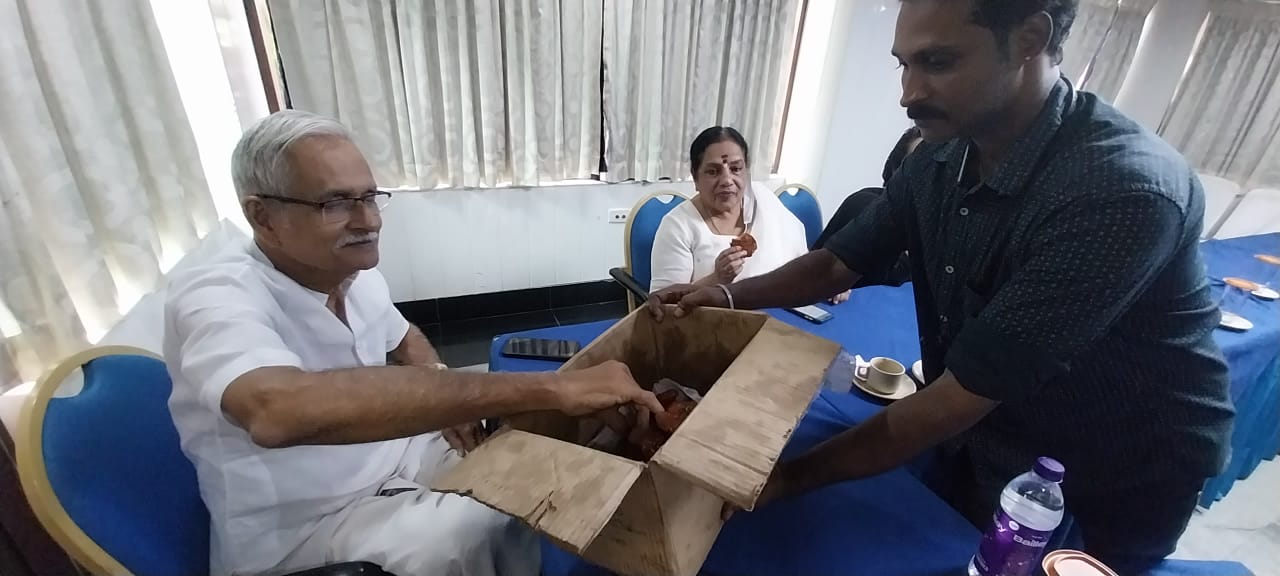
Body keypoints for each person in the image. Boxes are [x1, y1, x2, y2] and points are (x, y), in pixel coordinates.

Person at [648, 0, 1233, 571]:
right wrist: (724, 294)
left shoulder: (1120, 191)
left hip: (1116, 466)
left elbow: (957, 398)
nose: (908, 94)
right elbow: (835, 264)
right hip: (990, 436)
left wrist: (785, 478)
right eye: (903, 64)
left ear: (1029, 40)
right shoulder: (940, 156)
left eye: (937, 62)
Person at [165, 110, 664, 576]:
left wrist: (444, 391)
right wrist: (548, 389)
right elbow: (275, 410)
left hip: (395, 459)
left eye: (369, 197)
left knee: (530, 466)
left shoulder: (351, 272)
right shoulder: (214, 293)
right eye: (335, 203)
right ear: (263, 217)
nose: (368, 221)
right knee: (474, 525)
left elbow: (405, 339)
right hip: (306, 523)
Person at [649, 126, 849, 303]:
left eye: (735, 169)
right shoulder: (677, 226)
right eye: (713, 172)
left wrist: (829, 282)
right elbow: (664, 306)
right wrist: (717, 279)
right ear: (695, 177)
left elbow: (800, 262)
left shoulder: (764, 200)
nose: (727, 180)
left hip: (781, 313)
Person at [811, 127, 923, 286]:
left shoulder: (937, 223)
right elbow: (879, 276)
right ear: (898, 171)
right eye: (921, 165)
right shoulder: (866, 206)